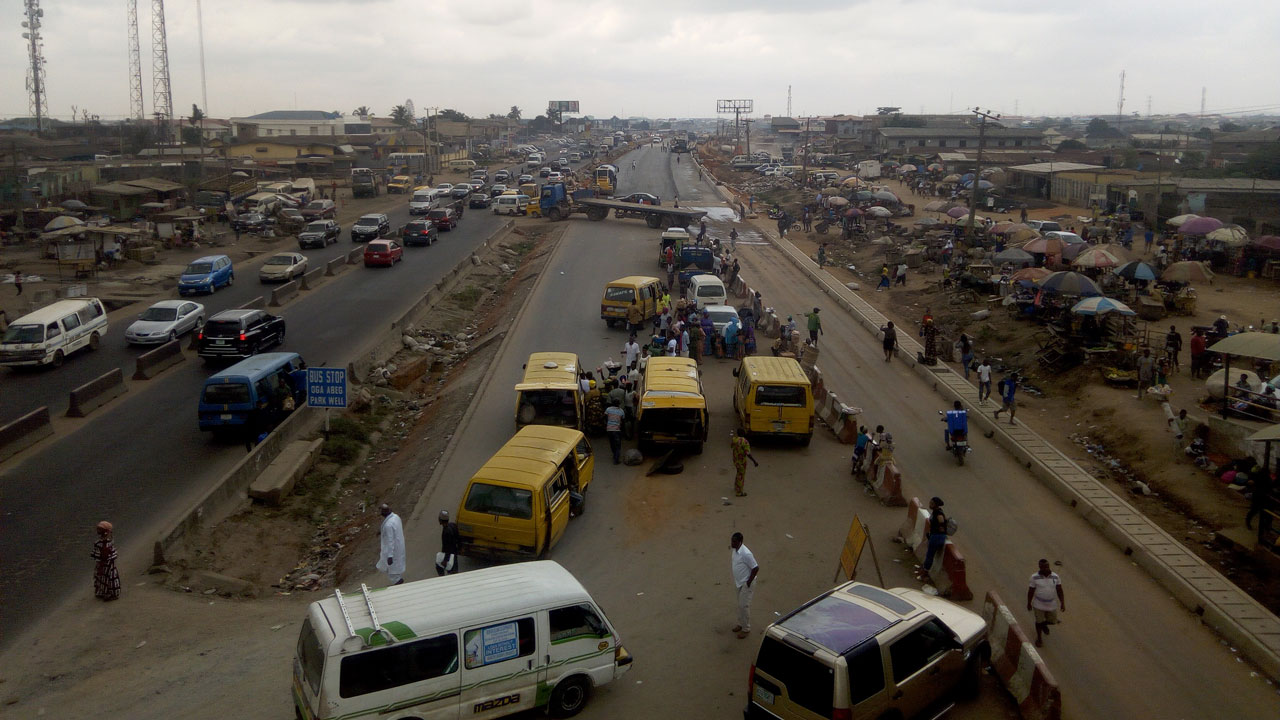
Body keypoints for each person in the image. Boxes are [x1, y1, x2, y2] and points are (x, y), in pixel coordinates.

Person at [1027, 559, 1065, 648]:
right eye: (1043, 567)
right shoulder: (1034, 577)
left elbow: (1059, 590)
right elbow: (1031, 591)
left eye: (1047, 567)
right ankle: (1039, 638)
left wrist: (1062, 602)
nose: (1046, 569)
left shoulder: (1055, 576)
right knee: (1038, 621)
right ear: (1040, 567)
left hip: (1051, 604)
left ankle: (1043, 625)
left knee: (1053, 621)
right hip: (1038, 604)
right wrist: (1029, 603)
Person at [730, 532, 759, 639]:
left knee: (744, 606)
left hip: (746, 583)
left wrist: (748, 582)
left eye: (734, 541)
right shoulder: (735, 550)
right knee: (740, 604)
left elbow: (755, 568)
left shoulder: (746, 553)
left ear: (740, 542)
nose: (732, 543)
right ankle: (740, 624)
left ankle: (746, 629)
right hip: (739, 582)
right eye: (732, 541)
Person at [376, 504, 406, 586]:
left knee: (393, 573)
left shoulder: (388, 525)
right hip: (398, 548)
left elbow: (390, 541)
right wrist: (382, 531)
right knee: (396, 571)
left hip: (393, 552)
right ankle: (400, 584)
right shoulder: (396, 517)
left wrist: (390, 556)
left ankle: (400, 586)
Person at [91, 521, 121, 601]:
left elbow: (96, 555)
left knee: (102, 578)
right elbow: (112, 554)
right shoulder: (109, 543)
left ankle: (103, 592)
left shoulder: (98, 543)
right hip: (108, 565)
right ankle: (110, 593)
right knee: (109, 578)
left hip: (103, 564)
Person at [919, 497, 948, 577]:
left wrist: (940, 529)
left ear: (936, 505)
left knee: (930, 555)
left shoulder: (938, 513)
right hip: (935, 536)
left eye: (932, 503)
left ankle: (925, 572)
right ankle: (924, 569)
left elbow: (942, 522)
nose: (930, 504)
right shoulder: (936, 512)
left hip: (937, 537)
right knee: (929, 554)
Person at [731, 428, 758, 497]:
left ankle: (736, 486)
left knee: (738, 473)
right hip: (742, 461)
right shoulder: (745, 442)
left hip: (735, 460)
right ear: (743, 433)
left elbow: (732, 446)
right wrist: (754, 461)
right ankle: (739, 492)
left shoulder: (734, 439)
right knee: (741, 476)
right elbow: (748, 453)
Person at [436, 510, 460, 575]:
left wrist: (445, 560)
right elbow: (458, 538)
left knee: (440, 567)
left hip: (450, 555)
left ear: (440, 520)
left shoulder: (446, 532)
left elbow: (447, 547)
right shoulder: (453, 525)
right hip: (454, 553)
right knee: (454, 571)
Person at [605, 399, 625, 464]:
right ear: (619, 404)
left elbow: (605, 418)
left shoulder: (608, 409)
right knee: (618, 445)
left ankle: (615, 455)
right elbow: (623, 421)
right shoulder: (621, 411)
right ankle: (616, 460)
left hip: (609, 429)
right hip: (617, 430)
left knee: (612, 444)